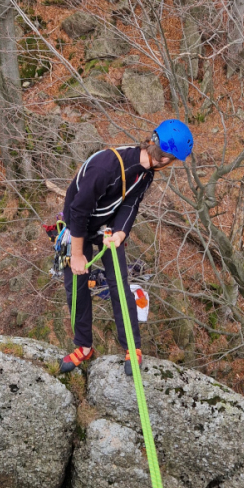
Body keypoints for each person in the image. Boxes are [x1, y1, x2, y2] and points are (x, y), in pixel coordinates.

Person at [60, 119, 194, 375]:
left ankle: (132, 346)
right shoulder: (106, 167)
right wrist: (77, 254)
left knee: (119, 284)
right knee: (75, 287)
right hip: (77, 228)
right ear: (166, 159)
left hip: (106, 228)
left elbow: (130, 204)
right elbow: (77, 211)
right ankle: (84, 345)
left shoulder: (146, 172)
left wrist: (120, 232)